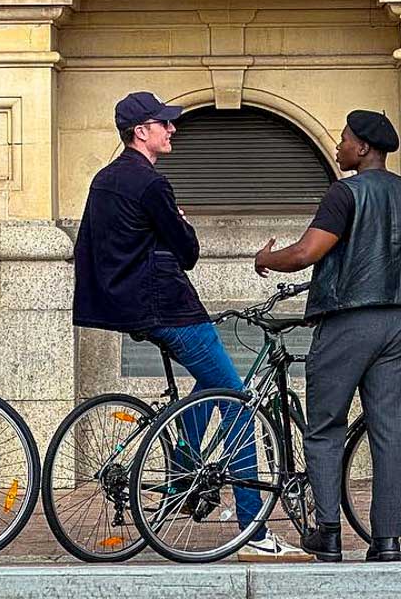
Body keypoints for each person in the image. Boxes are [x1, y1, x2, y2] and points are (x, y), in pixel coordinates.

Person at [72, 90, 306, 561]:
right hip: (170, 308)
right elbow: (189, 252)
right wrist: (179, 223)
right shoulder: (152, 184)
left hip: (129, 308)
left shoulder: (104, 180)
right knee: (238, 404)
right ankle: (254, 530)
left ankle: (183, 470)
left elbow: (92, 247)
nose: (172, 129)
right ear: (142, 132)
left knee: (209, 384)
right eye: (164, 123)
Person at [254, 110, 401, 563]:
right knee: (390, 432)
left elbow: (306, 253)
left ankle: (328, 532)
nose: (338, 147)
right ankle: (387, 541)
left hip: (347, 321)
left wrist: (266, 258)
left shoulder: (345, 193)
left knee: (324, 427)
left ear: (362, 148)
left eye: (343, 140)